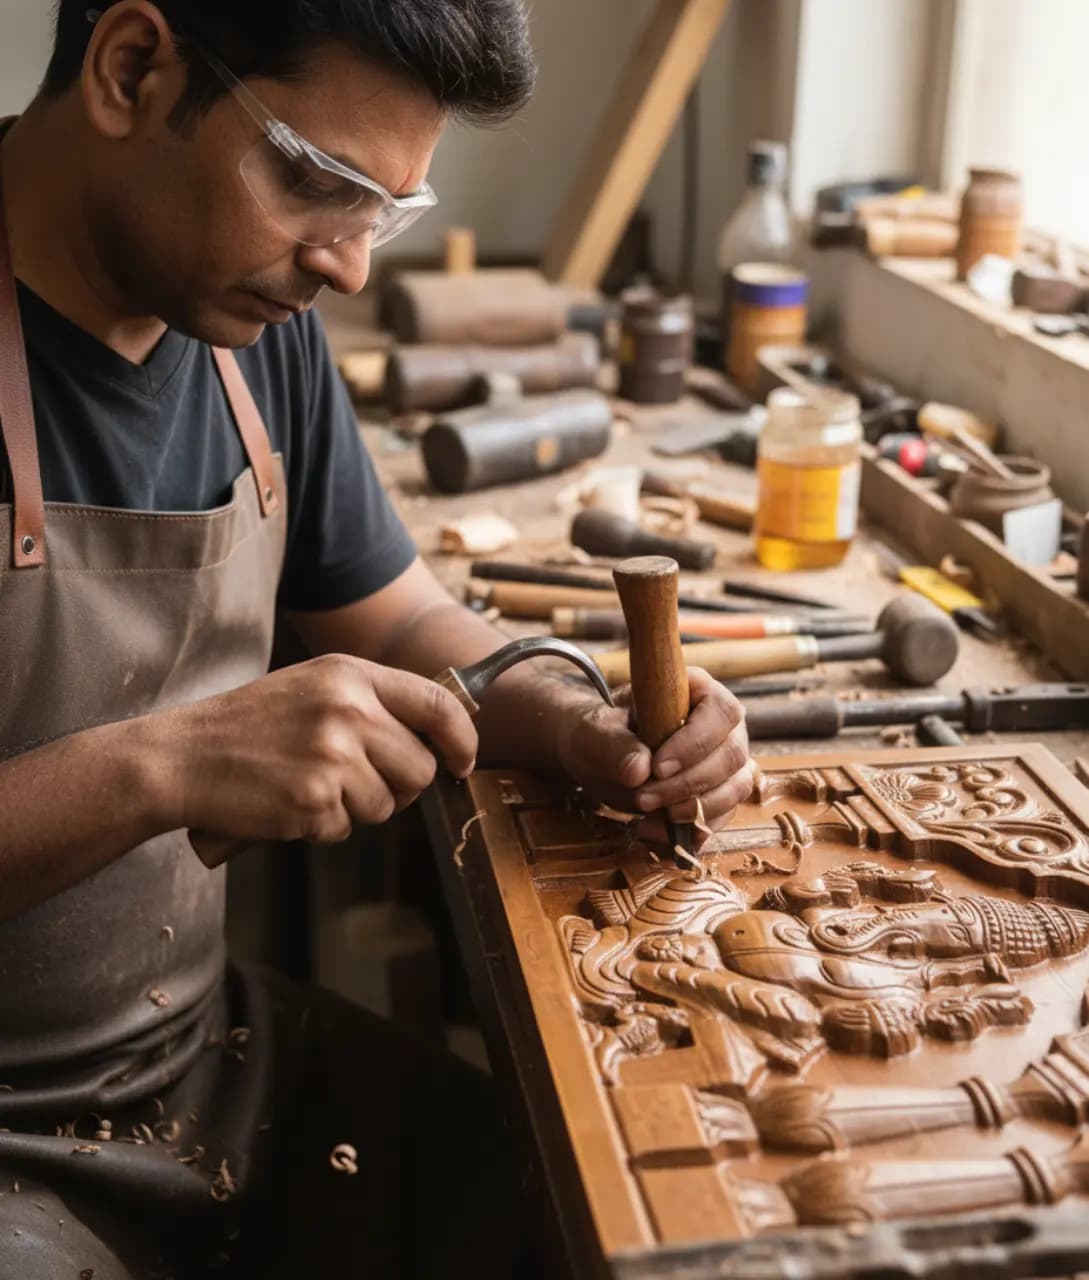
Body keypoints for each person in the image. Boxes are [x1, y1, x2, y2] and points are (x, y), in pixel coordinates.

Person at [0, 1, 754, 1274]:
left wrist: (571, 713)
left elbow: (401, 614)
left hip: (197, 1059)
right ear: (132, 68)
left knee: (591, 1215)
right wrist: (164, 765)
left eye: (383, 210)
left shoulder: (249, 325)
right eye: (318, 183)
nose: (348, 268)